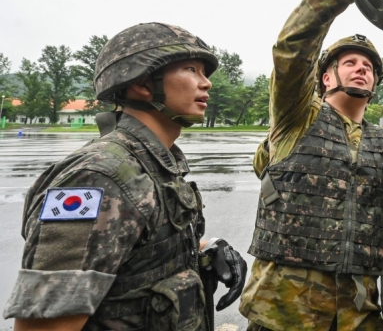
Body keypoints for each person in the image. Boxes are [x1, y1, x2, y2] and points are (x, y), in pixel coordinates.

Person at [238, 0, 383, 331]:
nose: (361, 68)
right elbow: (291, 54)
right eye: (350, 62)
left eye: (368, 66)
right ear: (326, 78)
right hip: (283, 312)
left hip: (358, 312)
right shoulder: (298, 118)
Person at [3, 23, 247, 331]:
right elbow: (45, 327)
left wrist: (206, 248)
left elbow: (134, 260)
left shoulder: (153, 163)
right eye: (191, 69)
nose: (206, 83)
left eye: (204, 72)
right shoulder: (97, 178)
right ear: (144, 84)